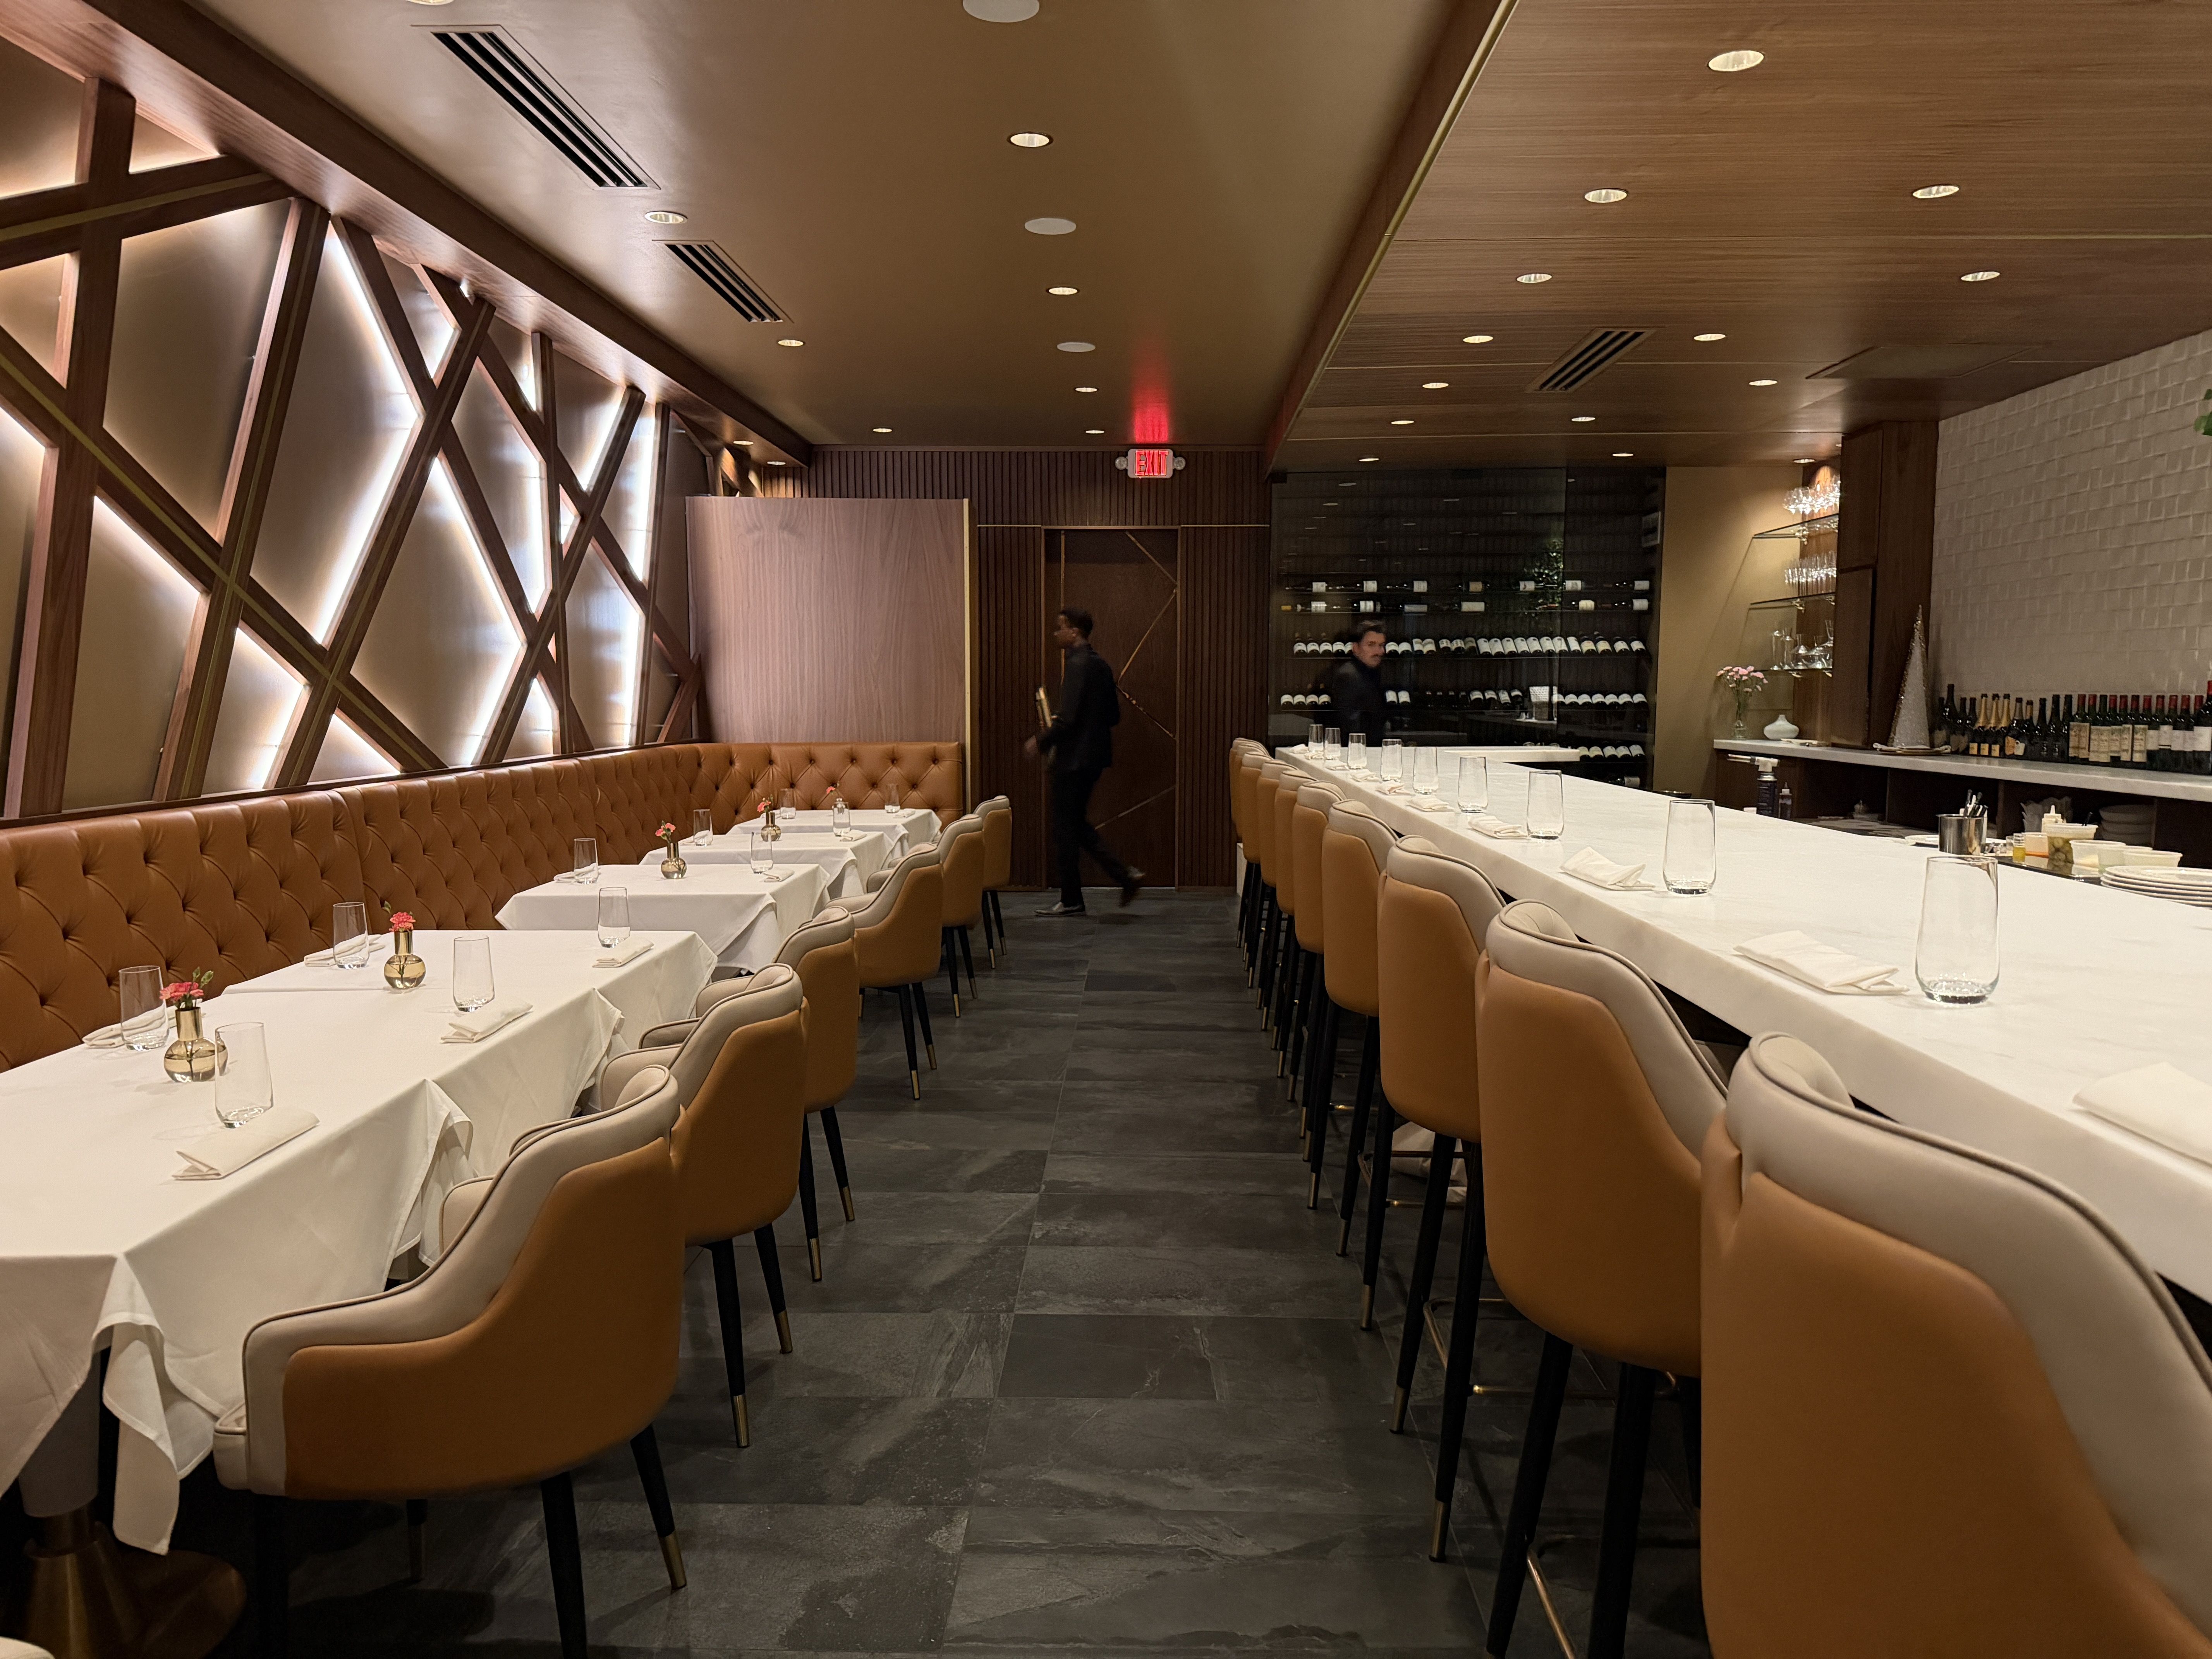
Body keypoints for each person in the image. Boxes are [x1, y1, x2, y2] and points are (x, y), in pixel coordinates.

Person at [1023, 607, 1143, 916]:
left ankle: (1078, 896)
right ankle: (1119, 877)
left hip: (1073, 759)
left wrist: (1040, 739)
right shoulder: (1100, 665)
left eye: (1059, 627)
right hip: (1095, 758)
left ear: (1074, 631)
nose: (1055, 633)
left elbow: (1068, 720)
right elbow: (1114, 717)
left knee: (1066, 827)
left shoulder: (1077, 665)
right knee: (1074, 824)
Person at [1329, 623, 1389, 743]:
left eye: (1381, 645)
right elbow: (1351, 726)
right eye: (1371, 645)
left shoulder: (1371, 672)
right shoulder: (1348, 675)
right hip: (1358, 752)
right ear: (1356, 648)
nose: (1379, 651)